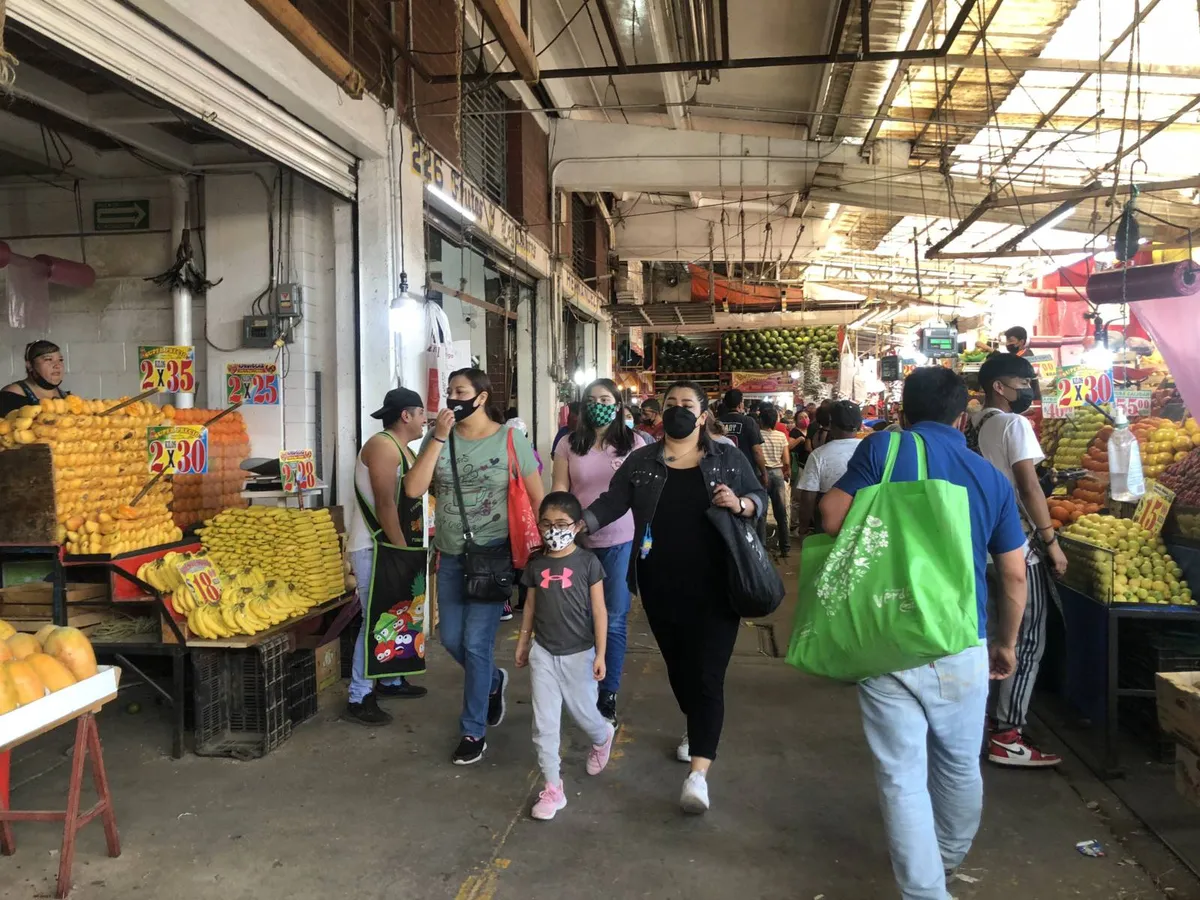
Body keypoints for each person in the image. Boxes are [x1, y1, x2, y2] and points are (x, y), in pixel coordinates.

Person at [819, 367, 1029, 900]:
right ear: (964, 416)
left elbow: (831, 516)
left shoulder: (884, 450)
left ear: (903, 411)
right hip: (961, 638)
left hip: (886, 630)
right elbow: (1012, 572)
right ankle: (948, 859)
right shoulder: (988, 477)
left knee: (901, 773)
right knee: (959, 763)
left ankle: (926, 890)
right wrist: (1005, 642)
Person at [581, 380, 767, 814]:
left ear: (703, 415)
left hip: (719, 584)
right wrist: (579, 524)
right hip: (661, 583)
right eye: (671, 404)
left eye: (688, 404)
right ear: (659, 413)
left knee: (707, 676)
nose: (678, 410)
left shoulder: (726, 457)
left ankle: (698, 776)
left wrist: (739, 503)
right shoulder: (643, 460)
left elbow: (759, 495)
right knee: (681, 670)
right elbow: (611, 502)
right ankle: (696, 722)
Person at [404, 368, 544, 766]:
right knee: (450, 639)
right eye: (448, 392)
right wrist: (438, 438)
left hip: (494, 555)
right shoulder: (439, 440)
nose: (452, 398)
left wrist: (551, 549)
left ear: (481, 398)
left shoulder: (510, 439)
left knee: (477, 644)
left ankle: (473, 730)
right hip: (449, 555)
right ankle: (493, 682)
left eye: (460, 391)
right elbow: (413, 489)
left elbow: (538, 498)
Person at [974, 354, 1069, 768]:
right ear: (1000, 385)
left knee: (991, 634)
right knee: (1025, 641)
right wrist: (1051, 541)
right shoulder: (1014, 424)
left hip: (981, 545)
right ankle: (1007, 734)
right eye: (1022, 379)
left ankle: (980, 723)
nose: (1028, 387)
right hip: (1018, 546)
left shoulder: (972, 424)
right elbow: (1029, 486)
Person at [515, 492, 616, 821]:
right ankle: (553, 788)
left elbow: (600, 611)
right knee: (544, 725)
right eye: (547, 523)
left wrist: (601, 654)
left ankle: (602, 736)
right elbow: (529, 606)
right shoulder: (536, 564)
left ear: (576, 527)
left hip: (580, 655)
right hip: (543, 654)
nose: (553, 530)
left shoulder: (588, 563)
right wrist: (523, 642)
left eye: (561, 524)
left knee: (585, 714)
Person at [551, 378, 646, 724]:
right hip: (577, 543)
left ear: (618, 405)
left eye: (605, 399)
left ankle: (608, 692)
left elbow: (639, 492)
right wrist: (560, 526)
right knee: (579, 618)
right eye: (592, 399)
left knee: (615, 619)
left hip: (620, 540)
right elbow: (560, 487)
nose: (598, 404)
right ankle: (578, 687)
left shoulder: (634, 443)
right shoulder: (567, 443)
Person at [342, 388, 431, 725]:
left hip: (393, 547)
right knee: (375, 618)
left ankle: (391, 679)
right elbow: (384, 503)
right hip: (375, 546)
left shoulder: (403, 449)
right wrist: (400, 551)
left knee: (396, 616)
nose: (425, 420)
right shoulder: (381, 446)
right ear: (406, 415)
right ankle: (359, 695)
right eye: (421, 413)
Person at [793, 400, 863, 537]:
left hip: (826, 523)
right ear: (859, 425)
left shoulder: (818, 455)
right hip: (862, 521)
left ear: (832, 425)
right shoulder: (870, 450)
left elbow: (808, 497)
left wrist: (803, 528)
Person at [0, 340, 68, 416]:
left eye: (60, 360)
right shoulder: (11, 396)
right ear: (30, 365)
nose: (57, 365)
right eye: (48, 359)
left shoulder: (68, 397)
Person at [758, 405, 791, 555]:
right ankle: (785, 547)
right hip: (777, 473)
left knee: (761, 512)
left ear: (761, 420)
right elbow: (786, 459)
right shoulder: (781, 436)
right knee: (781, 512)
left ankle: (762, 547)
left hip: (761, 473)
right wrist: (786, 470)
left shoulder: (757, 435)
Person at [718, 389, 767, 482]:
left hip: (722, 472)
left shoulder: (717, 422)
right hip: (746, 472)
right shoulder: (749, 422)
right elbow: (757, 451)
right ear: (740, 404)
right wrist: (764, 473)